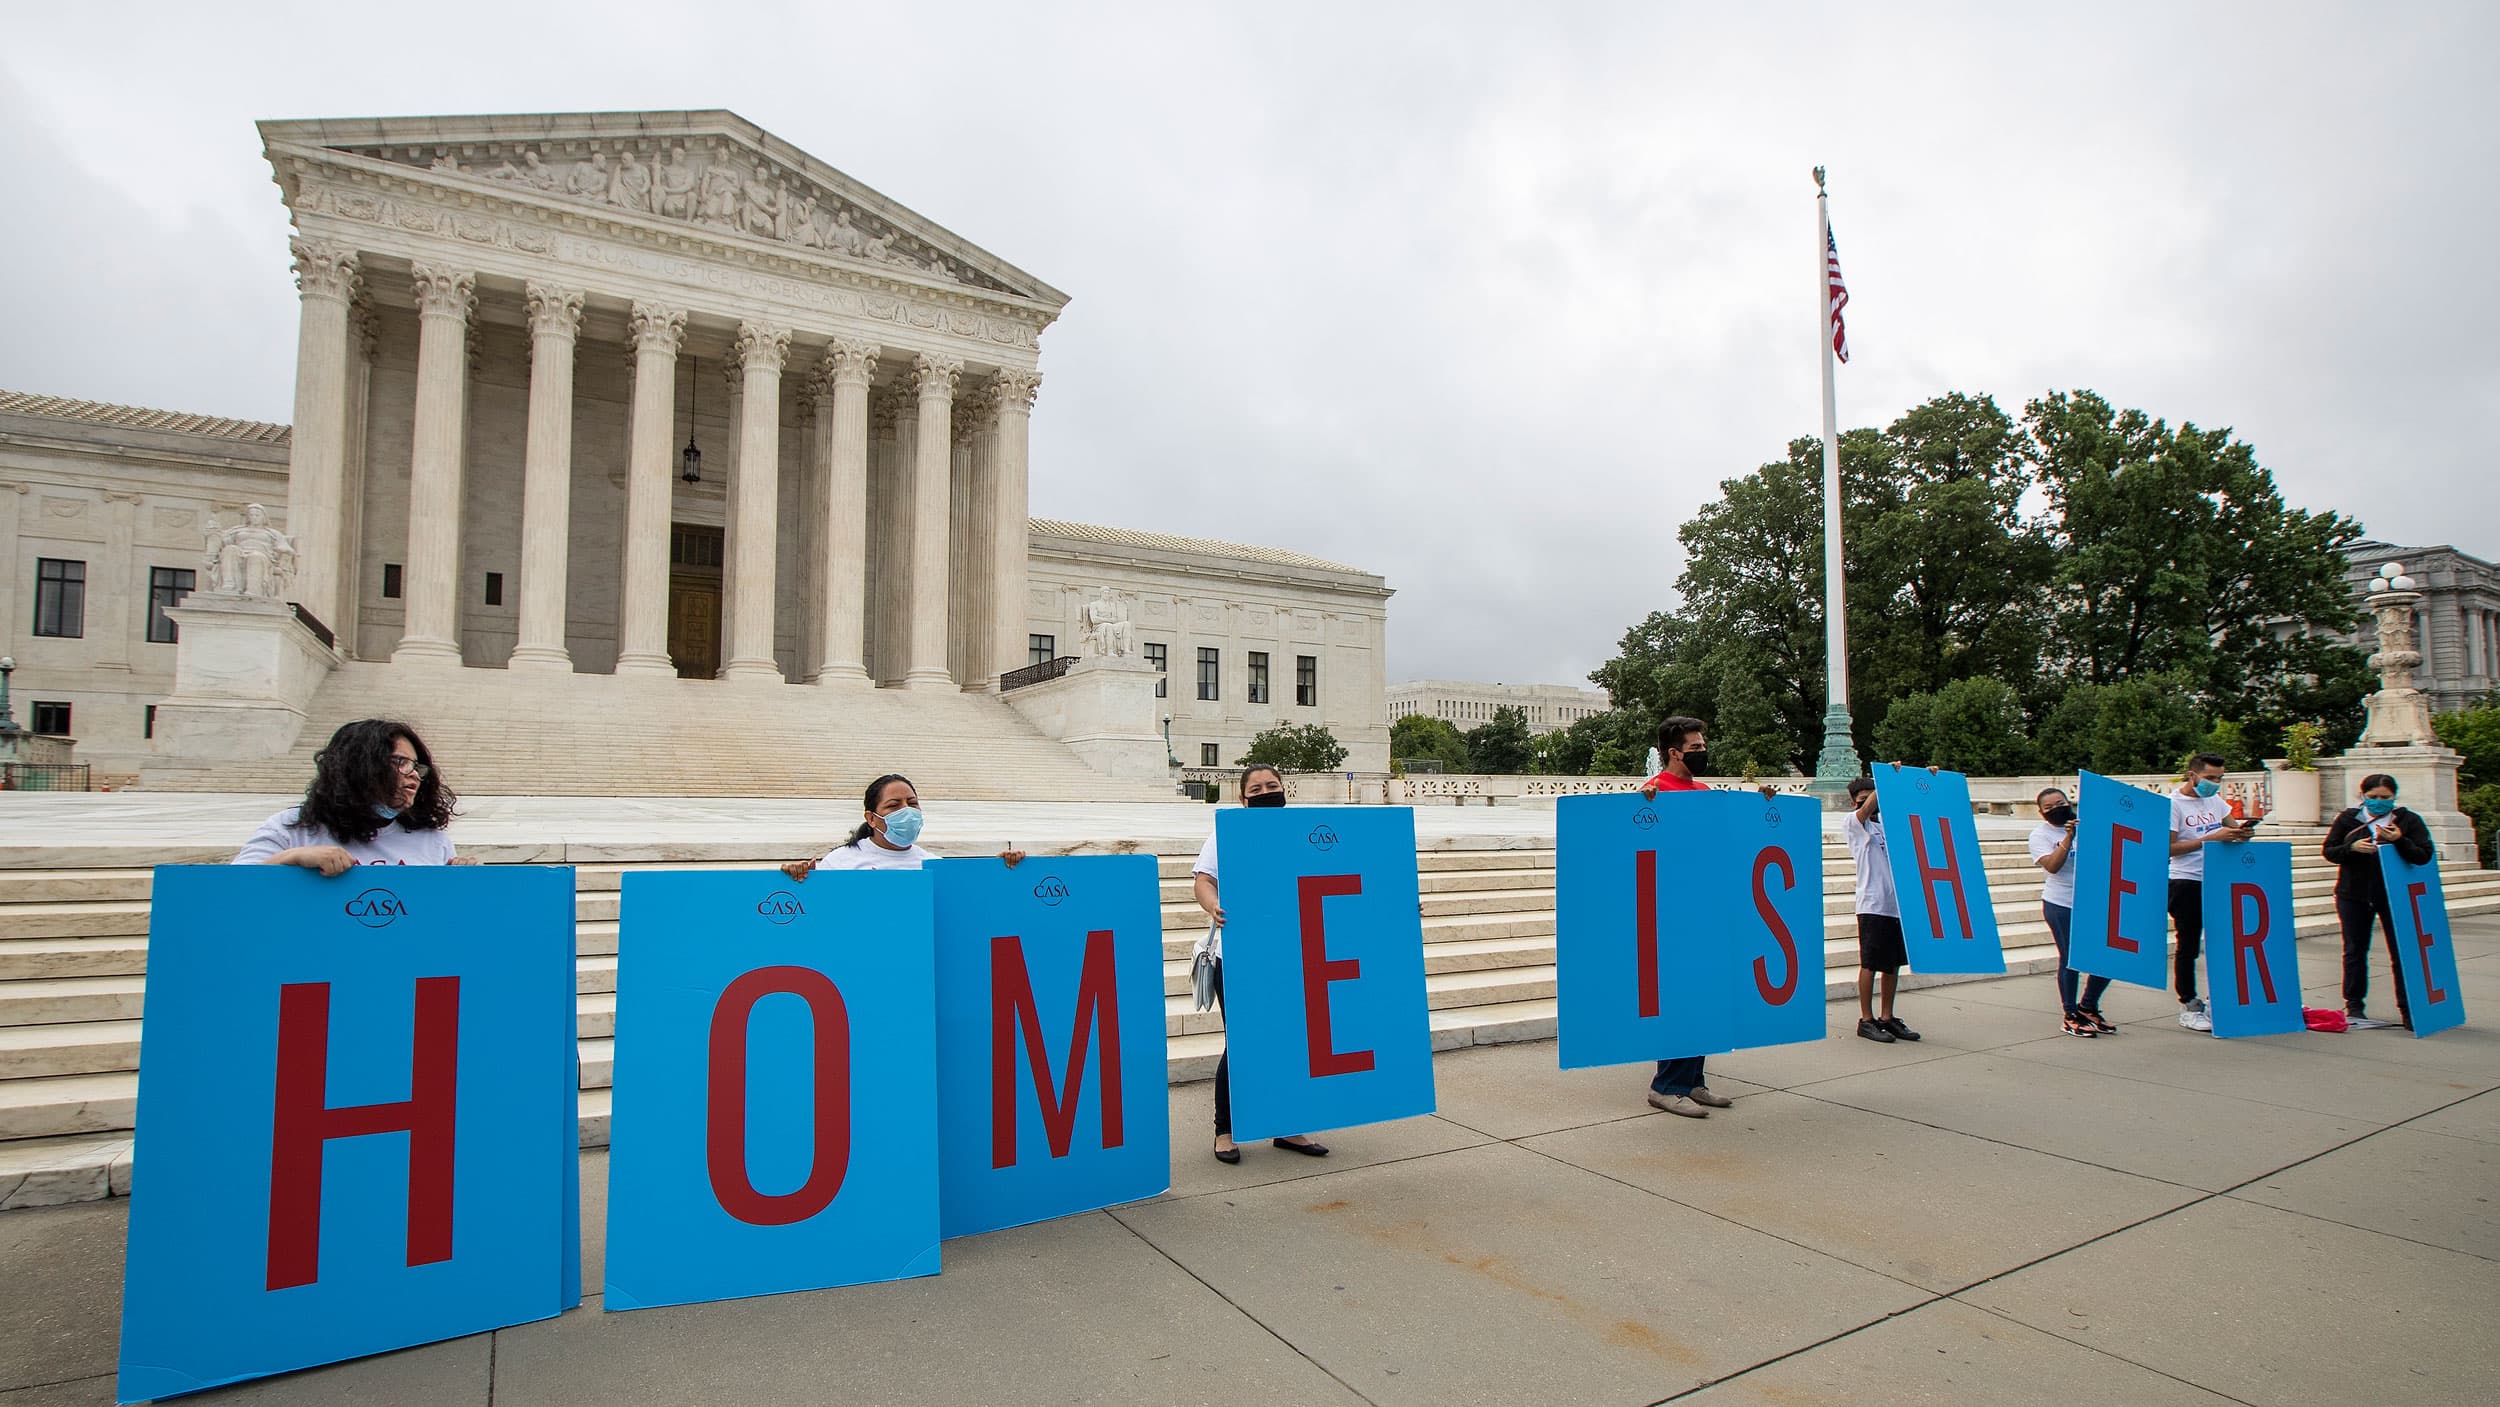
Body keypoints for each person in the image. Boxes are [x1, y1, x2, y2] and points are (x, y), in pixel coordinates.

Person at [1193, 763, 1331, 1165]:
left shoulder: (1301, 835)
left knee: (1291, 1040)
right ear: (1243, 798)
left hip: (1290, 956)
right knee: (1242, 1042)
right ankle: (1226, 1129)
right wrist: (1212, 905)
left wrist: (1398, 903)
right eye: (1257, 788)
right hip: (1238, 957)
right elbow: (1203, 879)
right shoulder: (1227, 835)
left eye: (1273, 785)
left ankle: (1287, 1126)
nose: (1267, 791)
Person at [1632, 716, 1747, 1119]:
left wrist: (1765, 803)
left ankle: (1693, 1081)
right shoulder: (1654, 792)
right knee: (1681, 998)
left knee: (1704, 997)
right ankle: (1666, 1085)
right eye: (1695, 748)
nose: (1702, 753)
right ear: (1673, 752)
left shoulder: (1703, 791)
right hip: (1673, 915)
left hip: (1706, 910)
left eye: (1703, 746)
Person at [234, 719, 469, 871]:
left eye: (417, 766)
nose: (414, 775)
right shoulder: (290, 828)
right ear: (359, 765)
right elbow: (229, 891)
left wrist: (465, 879)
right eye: (401, 762)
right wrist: (294, 857)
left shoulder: (432, 840)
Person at [2322, 773, 2436, 1027]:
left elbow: (2423, 855)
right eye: (2373, 798)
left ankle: (2408, 1008)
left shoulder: (2408, 820)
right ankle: (2354, 1004)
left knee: (2401, 952)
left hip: (2394, 894)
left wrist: (2399, 840)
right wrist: (2351, 849)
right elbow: (2329, 851)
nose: (2379, 802)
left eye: (2385, 798)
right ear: (2362, 796)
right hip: (2353, 894)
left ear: (2394, 797)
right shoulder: (2349, 819)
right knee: (2354, 950)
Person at [2167, 752, 2257, 1033]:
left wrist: (2242, 833)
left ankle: (2221, 996)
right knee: (2189, 943)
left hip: (2218, 878)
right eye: (2209, 778)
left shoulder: (2215, 801)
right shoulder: (2173, 804)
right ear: (2192, 775)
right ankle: (2188, 1003)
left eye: (2219, 778)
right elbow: (2168, 849)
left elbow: (2232, 828)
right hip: (2186, 880)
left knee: (2223, 940)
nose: (2215, 783)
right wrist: (2207, 839)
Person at [781, 773, 1023, 876]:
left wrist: (1005, 868)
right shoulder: (840, 862)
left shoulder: (934, 865)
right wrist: (798, 878)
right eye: (893, 805)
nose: (906, 811)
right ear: (871, 818)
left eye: (912, 803)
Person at [2029, 786, 2114, 1037]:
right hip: (2061, 903)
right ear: (2041, 813)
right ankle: (2069, 1014)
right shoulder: (2040, 835)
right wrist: (2068, 838)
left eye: (2060, 803)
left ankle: (2088, 1006)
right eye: (2049, 808)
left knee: (2107, 957)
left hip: (2094, 901)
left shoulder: (2091, 826)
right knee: (2071, 958)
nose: (2057, 809)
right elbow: (2053, 866)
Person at [1842, 775, 1920, 1044]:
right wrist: (1885, 781)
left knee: (1893, 964)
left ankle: (1887, 1016)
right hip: (1872, 903)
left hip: (1896, 905)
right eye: (1863, 799)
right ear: (1854, 802)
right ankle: (1866, 1019)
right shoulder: (1854, 824)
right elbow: (1864, 812)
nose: (1871, 803)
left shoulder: (1887, 827)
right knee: (1871, 963)